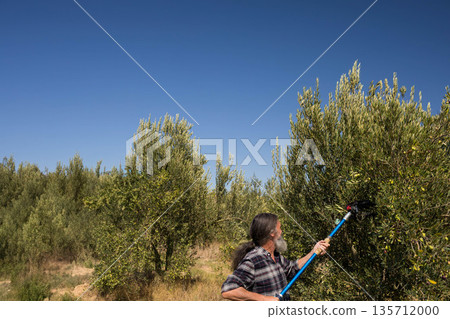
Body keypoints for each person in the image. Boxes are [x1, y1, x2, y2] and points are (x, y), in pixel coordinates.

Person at [221, 213, 329, 301]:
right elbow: (228, 290)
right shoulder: (254, 260)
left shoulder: (276, 257)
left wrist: (313, 252)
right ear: (272, 233)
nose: (281, 231)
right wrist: (264, 299)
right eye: (280, 228)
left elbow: (293, 268)